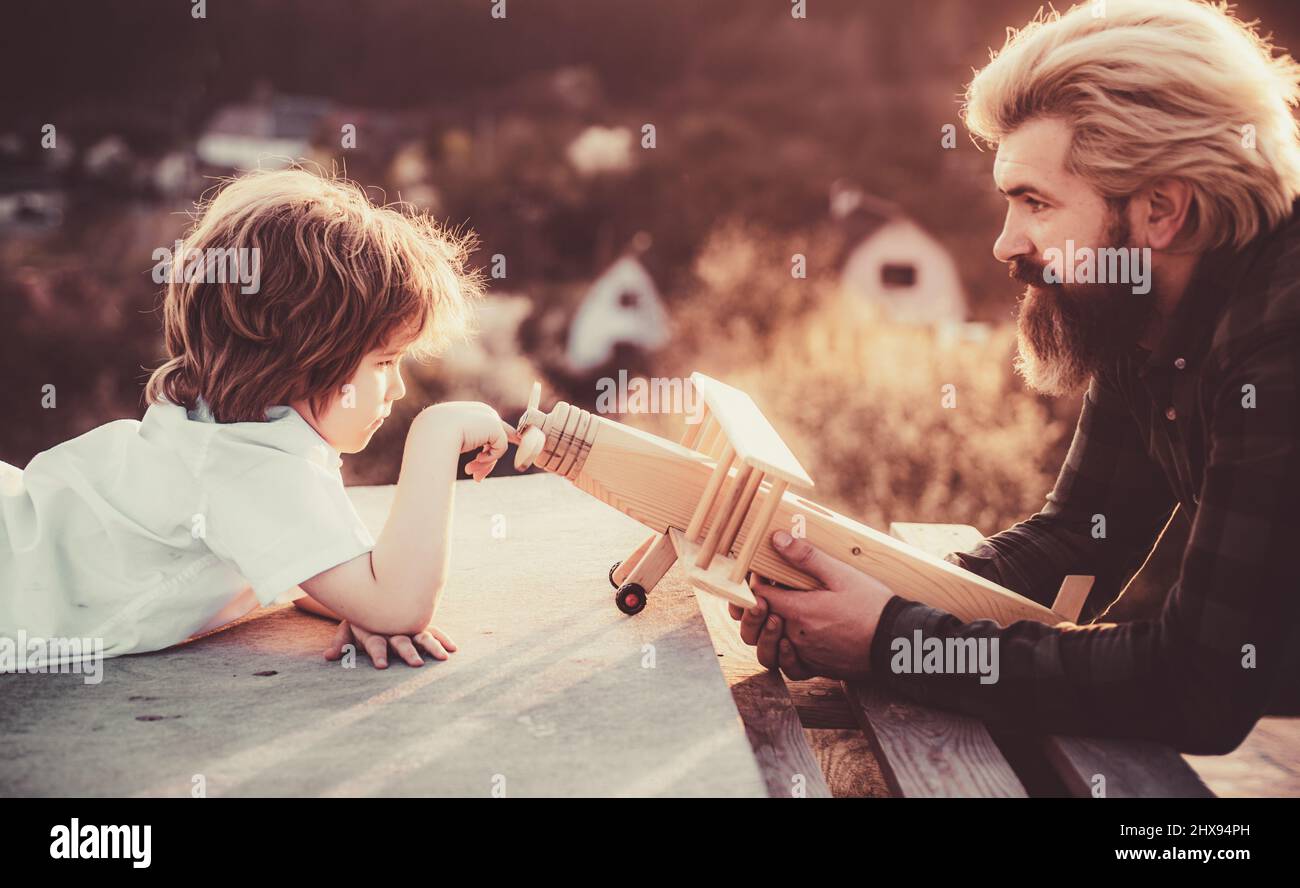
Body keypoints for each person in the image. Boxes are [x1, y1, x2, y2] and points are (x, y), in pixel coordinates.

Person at [732, 0, 1300, 754]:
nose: (1006, 244)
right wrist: (865, 589)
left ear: (1162, 210)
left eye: (1036, 203)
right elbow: (1077, 540)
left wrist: (891, 641)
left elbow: (1198, 687)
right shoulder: (1143, 306)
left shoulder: (1280, 341)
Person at [0, 168, 516, 672]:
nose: (399, 387)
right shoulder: (250, 466)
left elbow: (320, 578)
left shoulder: (230, 437)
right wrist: (436, 434)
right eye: (384, 362)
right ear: (302, 360)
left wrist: (365, 601)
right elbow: (399, 604)